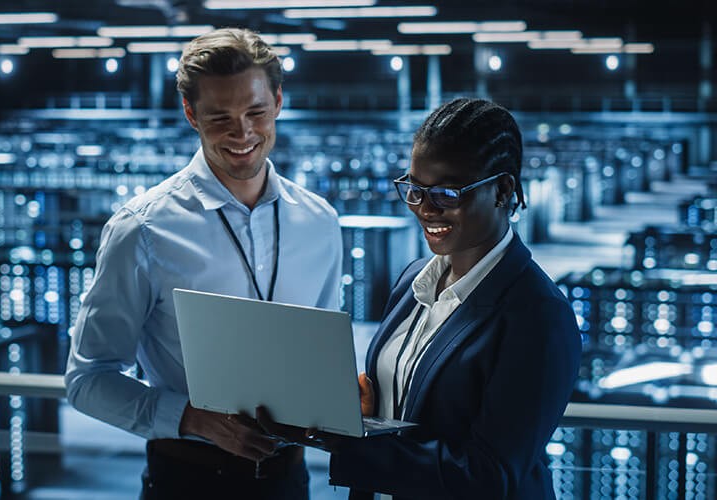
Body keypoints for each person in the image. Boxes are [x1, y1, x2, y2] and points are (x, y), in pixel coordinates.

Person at [65, 28, 343, 499]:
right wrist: (191, 418)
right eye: (220, 117)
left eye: (256, 111)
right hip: (187, 481)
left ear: (278, 100)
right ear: (191, 114)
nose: (243, 133)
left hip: (291, 481)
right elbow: (87, 381)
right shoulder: (142, 229)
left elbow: (321, 362)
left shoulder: (319, 222)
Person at [259, 97, 581, 499]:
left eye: (447, 192)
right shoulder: (415, 280)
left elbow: (488, 475)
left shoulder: (536, 315)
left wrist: (349, 445)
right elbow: (410, 410)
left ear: (502, 191)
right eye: (414, 188)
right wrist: (354, 416)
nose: (425, 209)